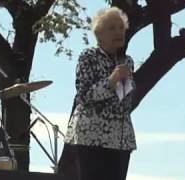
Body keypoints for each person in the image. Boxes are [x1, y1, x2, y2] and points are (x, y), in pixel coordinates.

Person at [58, 7, 136, 180]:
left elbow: (126, 100)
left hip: (120, 139)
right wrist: (111, 80)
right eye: (111, 28)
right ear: (99, 34)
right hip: (90, 137)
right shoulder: (88, 56)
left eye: (121, 28)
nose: (118, 32)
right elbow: (85, 96)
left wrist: (126, 86)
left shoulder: (126, 61)